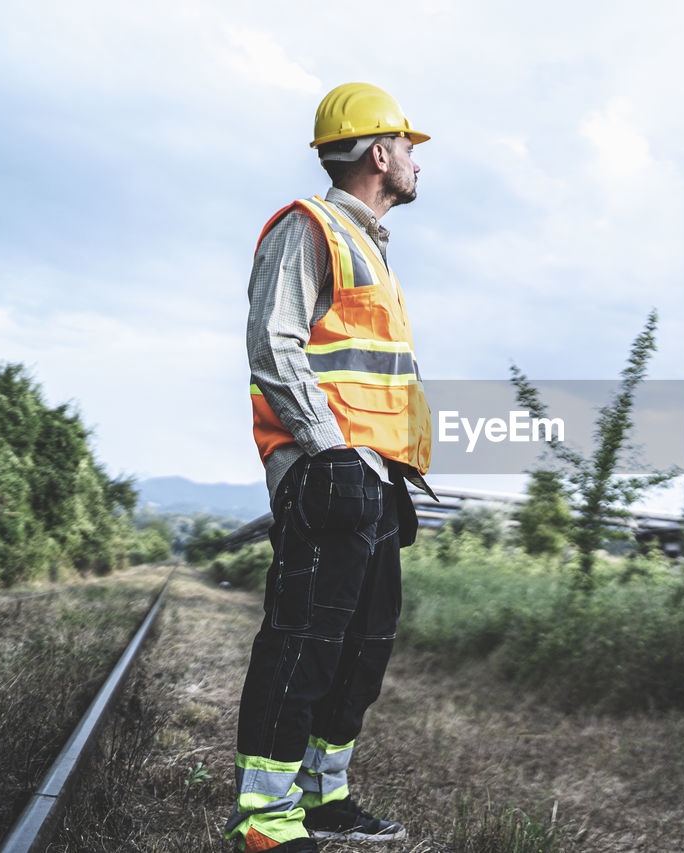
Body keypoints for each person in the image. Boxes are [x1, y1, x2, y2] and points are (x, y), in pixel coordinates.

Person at [227, 82, 434, 853]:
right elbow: (274, 344)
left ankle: (323, 799)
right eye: (408, 146)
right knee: (305, 640)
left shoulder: (373, 248)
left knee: (362, 646)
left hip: (375, 479)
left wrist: (384, 470)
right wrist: (329, 448)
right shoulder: (307, 228)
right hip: (331, 472)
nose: (415, 161)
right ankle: (265, 820)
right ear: (380, 153)